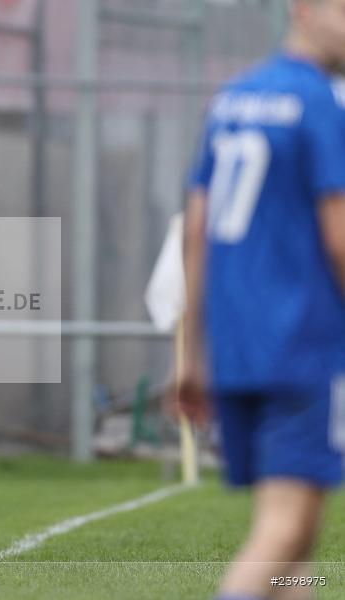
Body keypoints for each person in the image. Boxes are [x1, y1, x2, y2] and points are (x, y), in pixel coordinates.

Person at [178, 1, 345, 598]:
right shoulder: (320, 102)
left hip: (239, 346)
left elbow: (195, 231)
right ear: (305, 10)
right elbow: (338, 235)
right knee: (283, 527)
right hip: (304, 342)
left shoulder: (230, 99)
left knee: (296, 542)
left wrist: (191, 354)